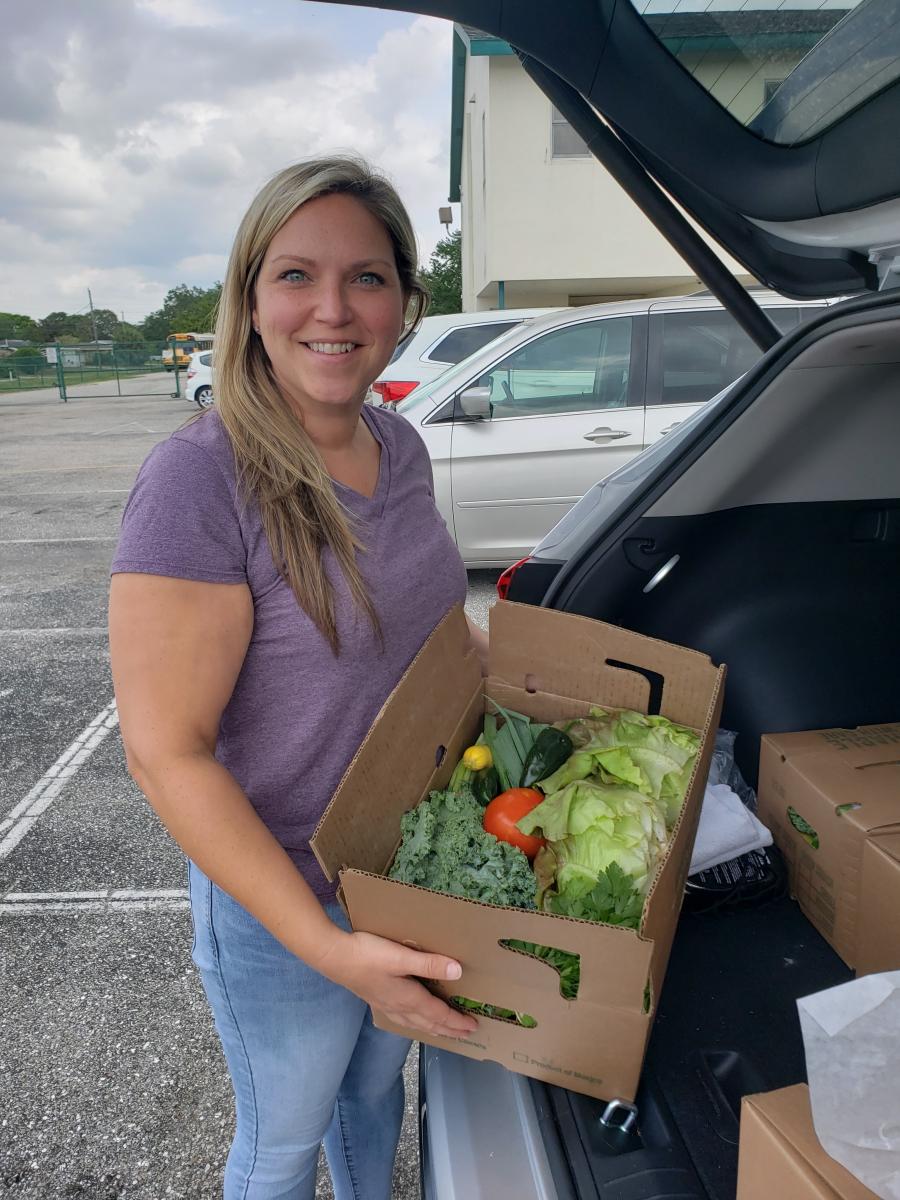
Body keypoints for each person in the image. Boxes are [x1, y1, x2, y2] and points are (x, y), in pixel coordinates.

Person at [108, 156, 486, 1200]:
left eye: (367, 278)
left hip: (406, 876)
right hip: (289, 908)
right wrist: (327, 947)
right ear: (249, 295)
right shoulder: (200, 480)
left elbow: (434, 637)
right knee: (280, 1149)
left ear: (406, 302)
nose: (334, 308)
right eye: (296, 275)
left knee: (371, 1109)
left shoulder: (397, 443)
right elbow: (165, 751)